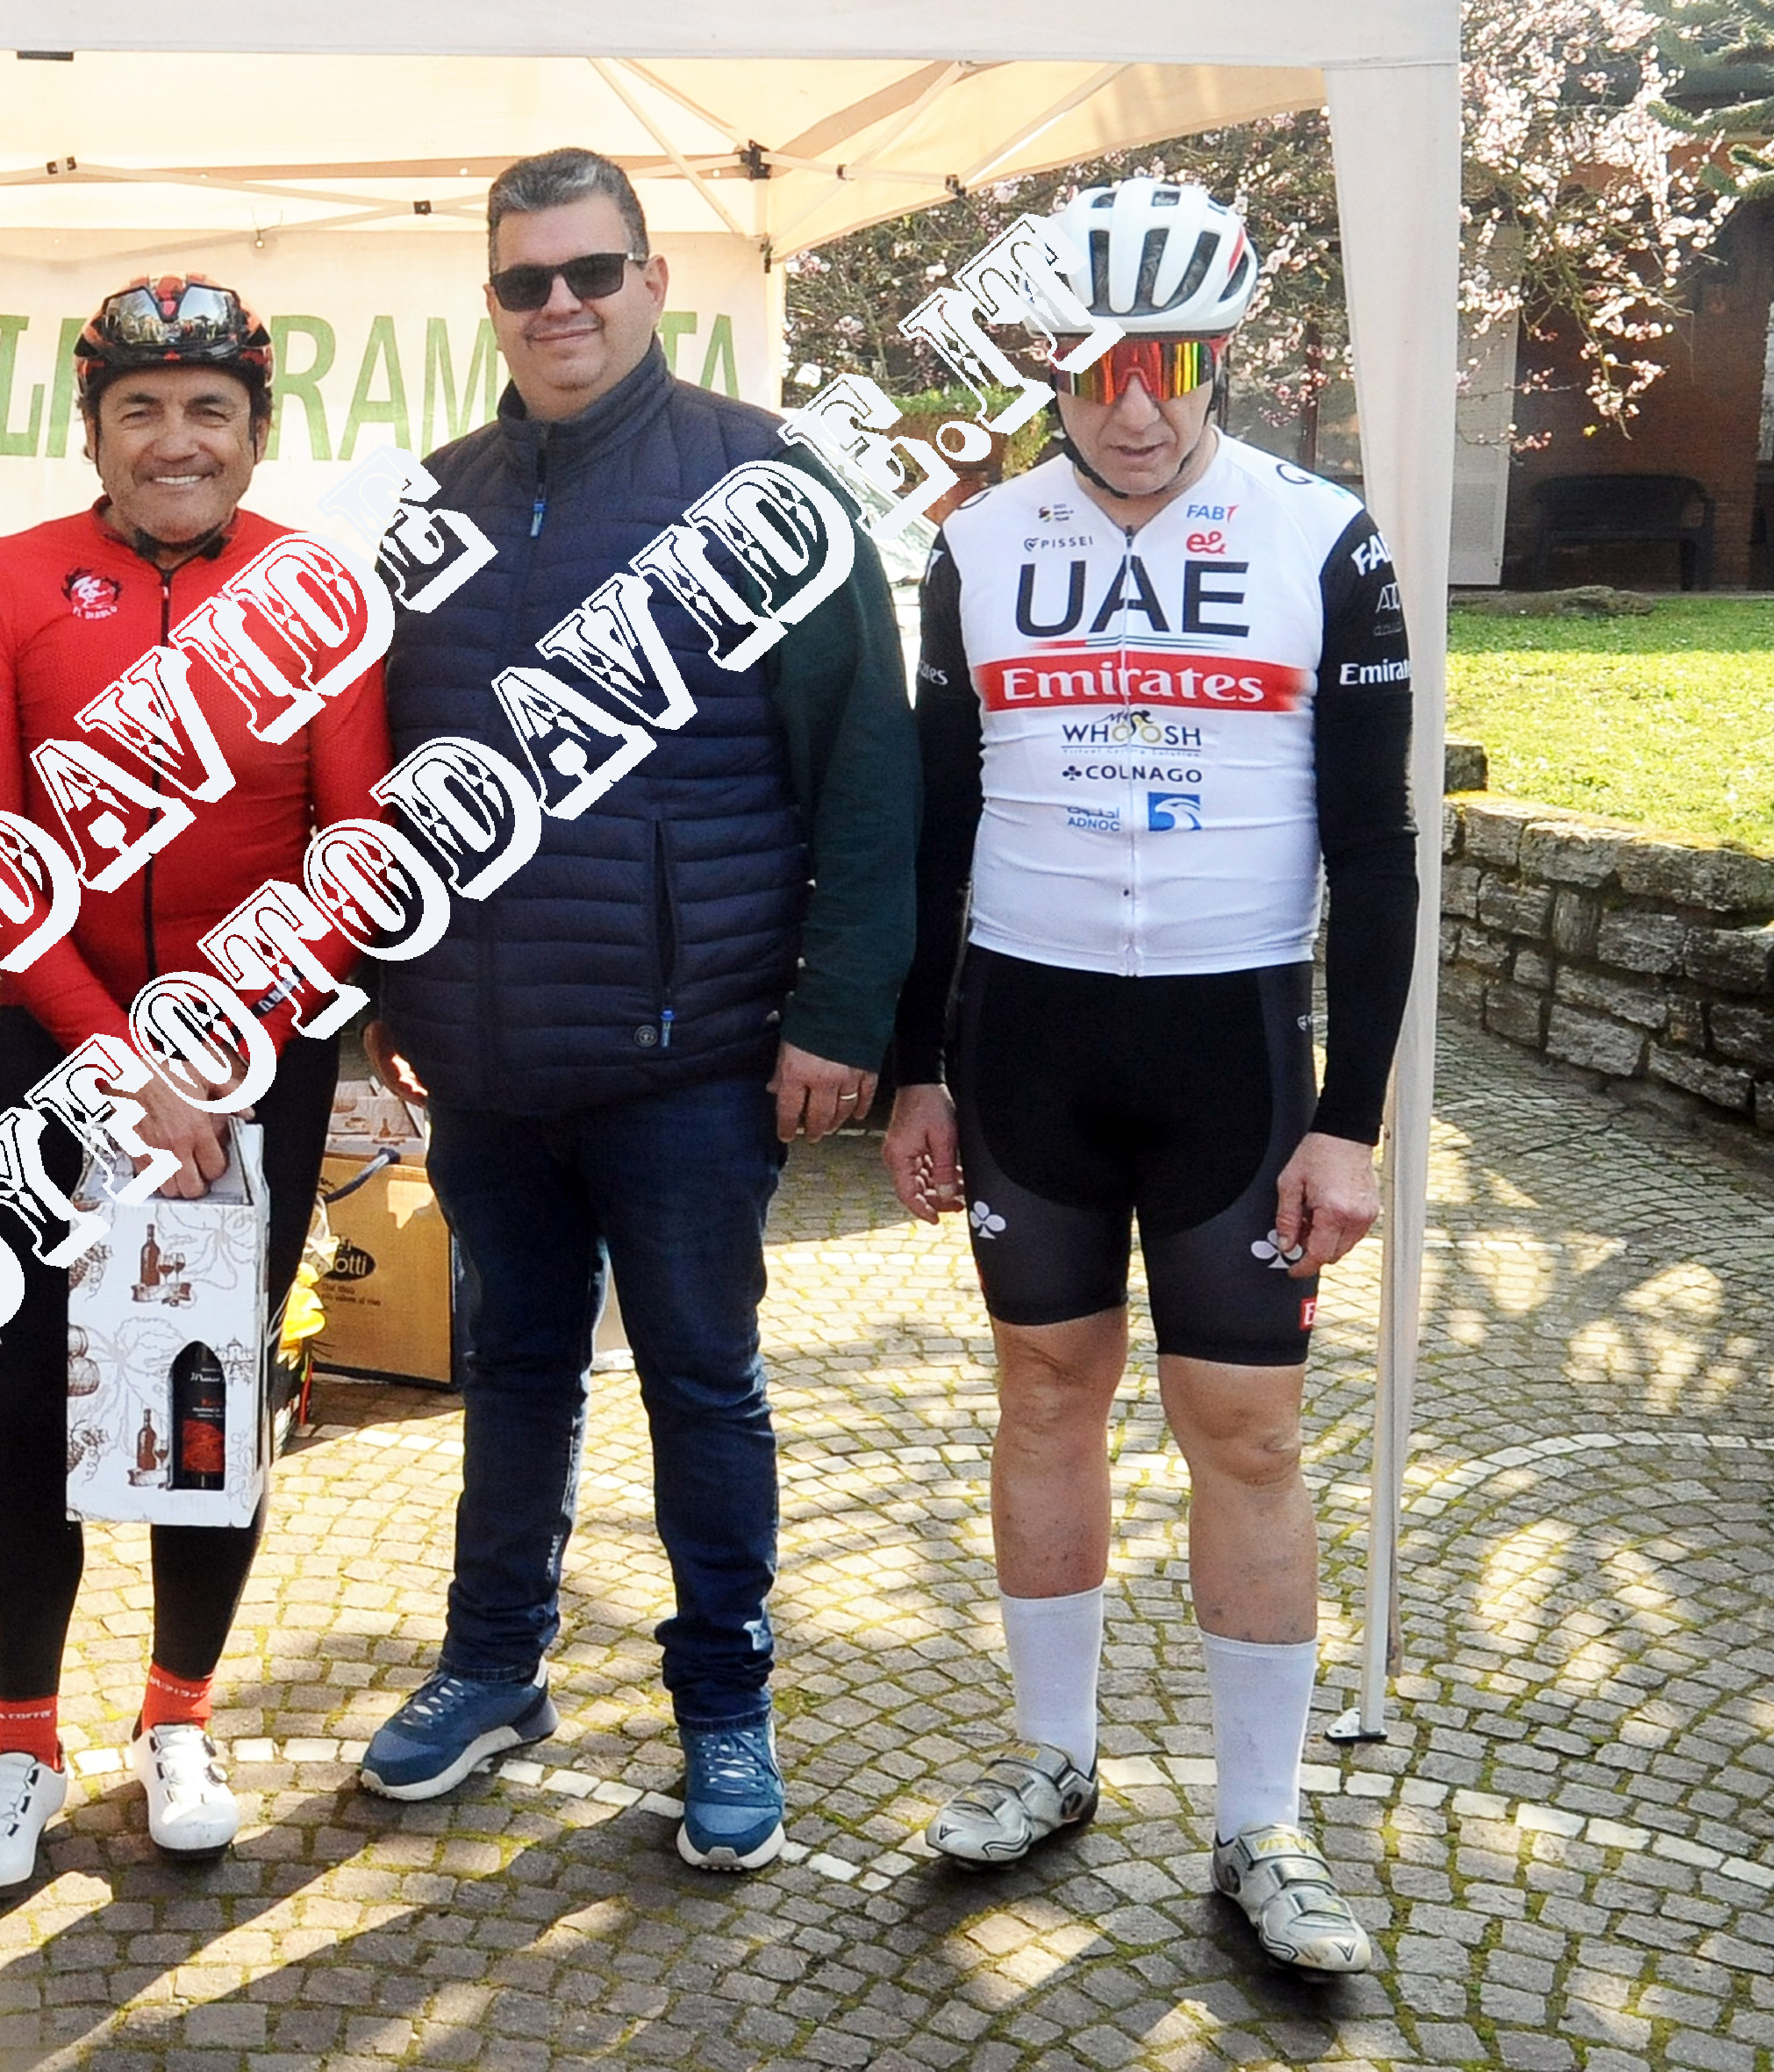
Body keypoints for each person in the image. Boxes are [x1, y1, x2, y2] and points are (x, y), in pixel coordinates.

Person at [355, 148, 918, 1873]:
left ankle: (724, 1706)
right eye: (525, 281)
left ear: (653, 281)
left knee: (700, 1381)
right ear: (491, 304)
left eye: (591, 272)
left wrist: (841, 1014)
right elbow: (391, 770)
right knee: (514, 1368)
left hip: (693, 1052)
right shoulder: (434, 505)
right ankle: (491, 1665)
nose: (561, 306)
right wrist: (393, 979)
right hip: (489, 1054)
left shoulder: (767, 487)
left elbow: (869, 775)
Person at [879, 179, 1415, 1976]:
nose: (1131, 404)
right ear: (1049, 362)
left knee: (1243, 1429)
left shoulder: (1321, 537)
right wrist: (912, 1070)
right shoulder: (974, 547)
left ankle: (1263, 1823)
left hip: (1229, 1047)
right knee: (1043, 1390)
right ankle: (1050, 1753)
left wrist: (1349, 1121)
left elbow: (1377, 849)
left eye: (1169, 364)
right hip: (1024, 1042)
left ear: (1221, 356)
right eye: (1095, 363)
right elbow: (933, 827)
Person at [0, 275, 392, 1890]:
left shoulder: (315, 592)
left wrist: (212, 1058)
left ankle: (177, 1718)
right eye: (141, 409)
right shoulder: (4, 581)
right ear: (94, 431)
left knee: (206, 1405)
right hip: (56, 1054)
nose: (176, 438)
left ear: (256, 433)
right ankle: (22, 1742)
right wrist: (123, 1066)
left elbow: (353, 852)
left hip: (254, 1055)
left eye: (210, 409)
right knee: (21, 1410)